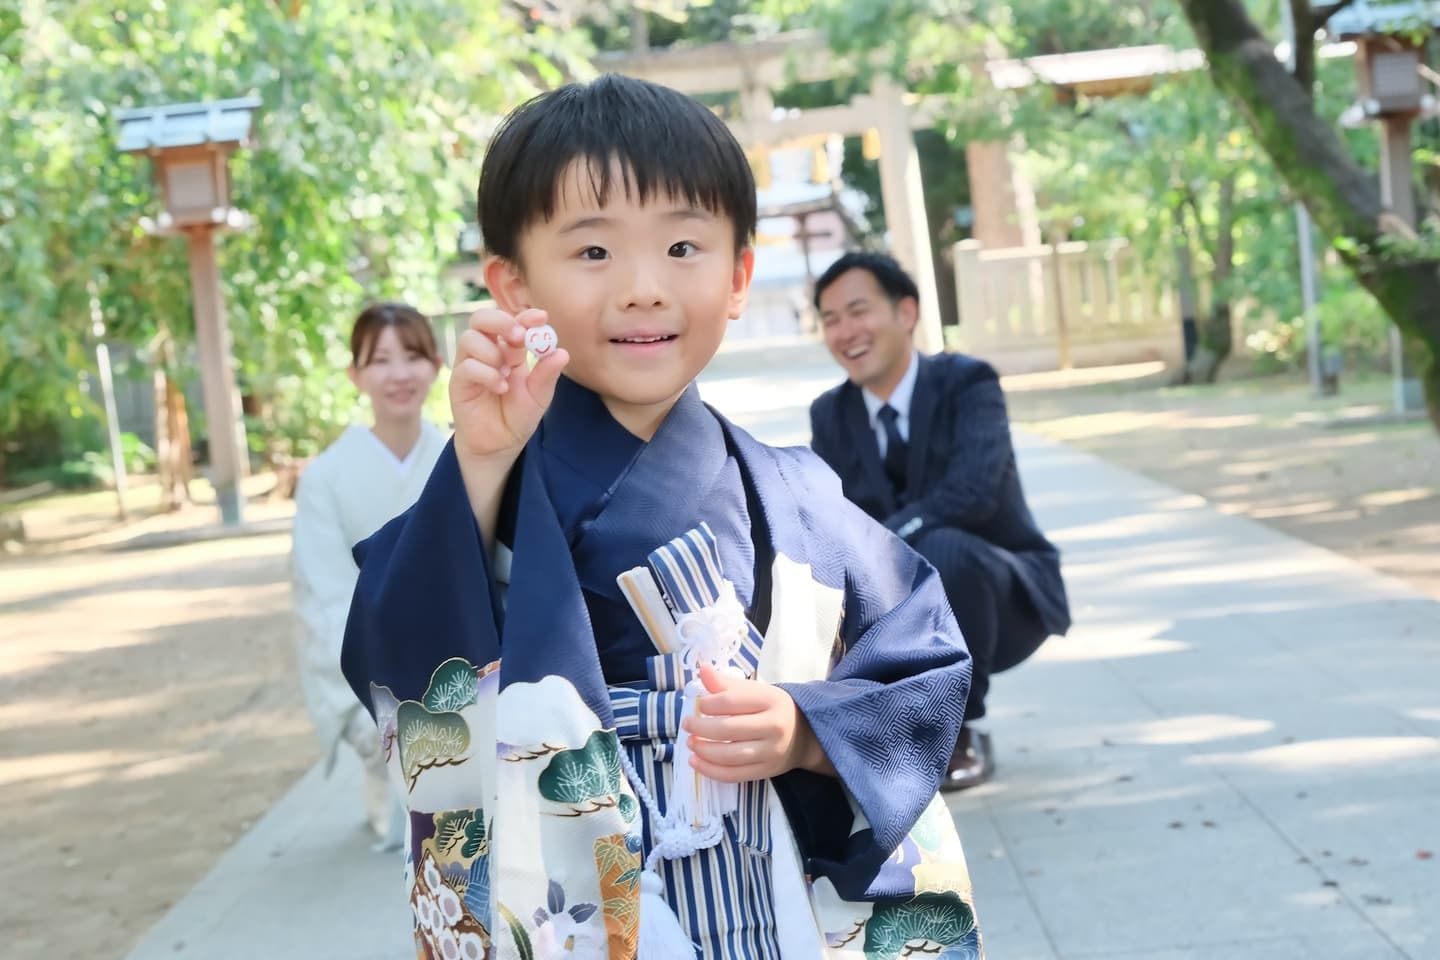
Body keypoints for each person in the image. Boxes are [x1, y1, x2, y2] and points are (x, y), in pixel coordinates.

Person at [340, 76, 985, 959]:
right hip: (570, 880)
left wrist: (807, 730)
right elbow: (397, 658)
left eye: (684, 245)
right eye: (594, 253)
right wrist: (482, 461)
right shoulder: (493, 479)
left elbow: (925, 657)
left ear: (737, 277)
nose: (644, 288)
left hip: (772, 881)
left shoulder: (792, 489)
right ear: (514, 286)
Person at [809, 252, 1071, 792]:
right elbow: (830, 521)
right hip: (896, 602)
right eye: (830, 319)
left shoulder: (967, 383)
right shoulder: (830, 415)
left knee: (941, 547)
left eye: (858, 310)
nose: (845, 331)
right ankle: (880, 733)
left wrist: (885, 543)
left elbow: (972, 495)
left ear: (907, 313)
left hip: (1001, 596)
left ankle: (957, 733)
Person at [291, 302, 447, 850]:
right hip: (374, 667)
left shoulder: (465, 456)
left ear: (437, 362)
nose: (399, 374)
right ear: (355, 375)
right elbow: (328, 600)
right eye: (380, 360)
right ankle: (383, 759)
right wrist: (372, 709)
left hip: (467, 661)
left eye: (413, 355)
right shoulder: (325, 481)